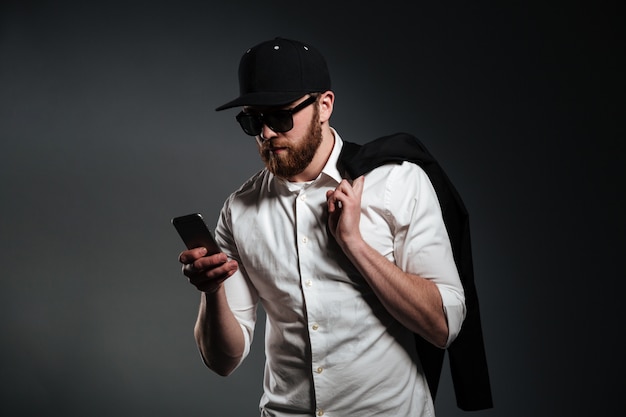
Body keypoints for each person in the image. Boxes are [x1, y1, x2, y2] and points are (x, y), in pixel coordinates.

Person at [178, 37, 466, 416]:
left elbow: (444, 326)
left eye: (280, 117)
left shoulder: (397, 183)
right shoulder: (239, 210)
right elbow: (223, 361)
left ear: (324, 105)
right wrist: (212, 292)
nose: (265, 133)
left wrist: (354, 245)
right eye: (253, 121)